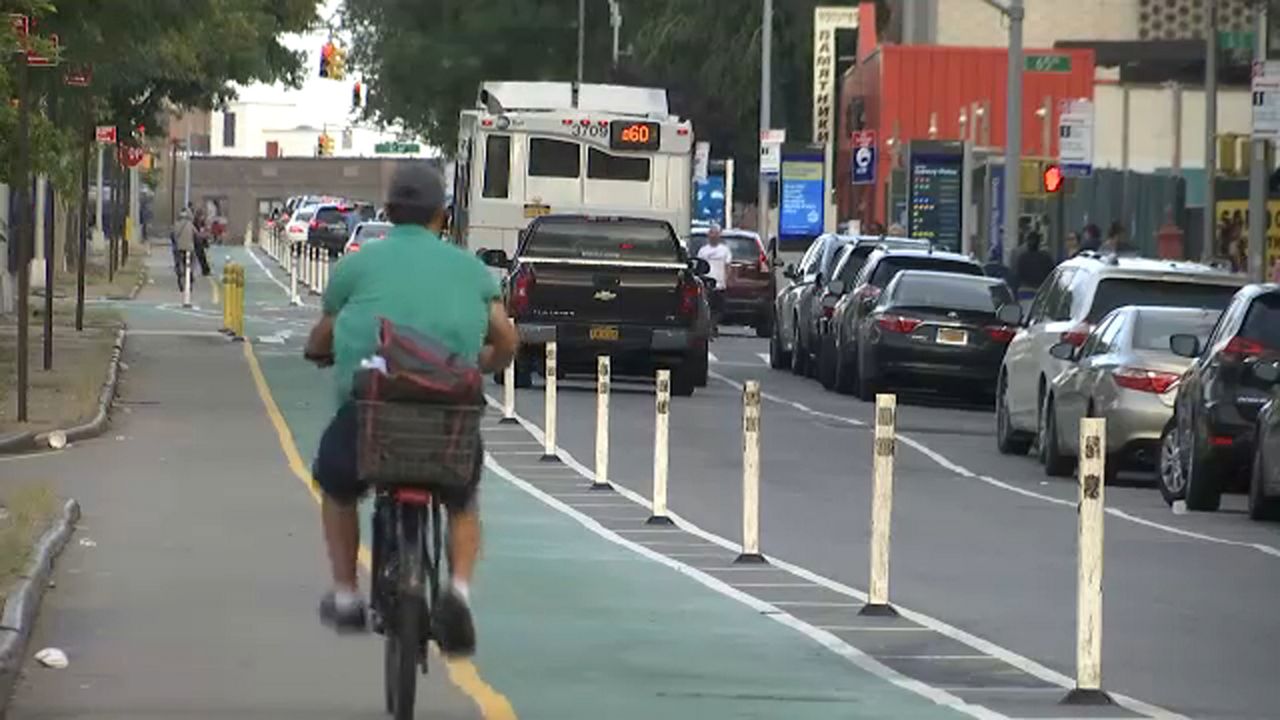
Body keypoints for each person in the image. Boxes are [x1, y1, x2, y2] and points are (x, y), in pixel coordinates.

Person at [305, 163, 519, 656]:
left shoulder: (357, 264)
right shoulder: (471, 270)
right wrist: (488, 360)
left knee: (336, 484)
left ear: (388, 212)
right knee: (462, 499)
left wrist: (319, 351)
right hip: (448, 423)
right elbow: (506, 337)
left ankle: (345, 596)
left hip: (371, 417)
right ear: (442, 217)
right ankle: (459, 592)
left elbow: (327, 331)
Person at [696, 223, 732, 337]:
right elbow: (699, 267)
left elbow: (728, 267)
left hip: (720, 284)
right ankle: (710, 328)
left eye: (716, 233)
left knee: (720, 309)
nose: (713, 236)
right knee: (707, 308)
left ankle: (713, 325)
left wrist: (727, 280)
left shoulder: (725, 250)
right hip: (707, 284)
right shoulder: (703, 251)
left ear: (719, 236)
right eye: (711, 233)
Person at [1015, 231, 1054, 295]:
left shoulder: (1022, 258)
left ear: (1027, 243)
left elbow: (1017, 275)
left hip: (1024, 290)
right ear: (1039, 243)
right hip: (1040, 291)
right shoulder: (1046, 257)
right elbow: (1051, 275)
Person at [172, 209, 196, 291]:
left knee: (178, 261)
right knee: (192, 262)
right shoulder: (190, 224)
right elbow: (196, 234)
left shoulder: (176, 224)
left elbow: (173, 236)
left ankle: (179, 273)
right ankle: (191, 274)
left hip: (179, 248)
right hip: (189, 248)